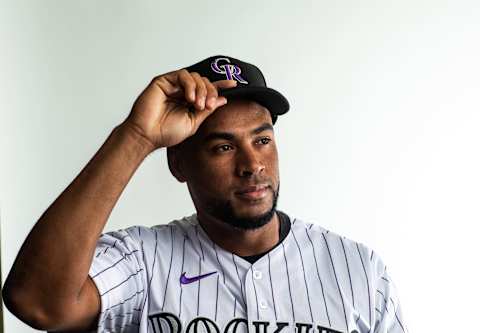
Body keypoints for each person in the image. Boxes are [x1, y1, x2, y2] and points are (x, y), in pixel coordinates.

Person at [2, 56, 407, 333]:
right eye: (223, 147)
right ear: (179, 164)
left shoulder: (359, 269)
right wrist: (138, 136)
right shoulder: (142, 260)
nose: (253, 164)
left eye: (262, 140)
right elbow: (37, 302)